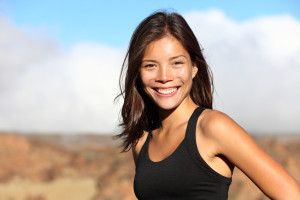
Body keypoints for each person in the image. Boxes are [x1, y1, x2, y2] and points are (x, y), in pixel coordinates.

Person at [116, 10, 300, 199]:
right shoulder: (142, 140)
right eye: (150, 65)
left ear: (194, 67)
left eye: (176, 63)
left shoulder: (213, 127)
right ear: (137, 73)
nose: (164, 77)